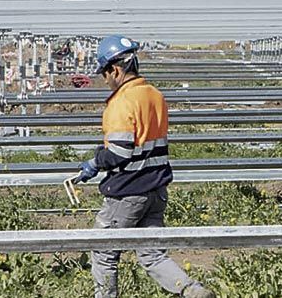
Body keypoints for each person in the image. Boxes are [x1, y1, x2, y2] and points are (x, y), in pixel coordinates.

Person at [76, 36, 214, 298]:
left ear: (115, 69)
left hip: (128, 191)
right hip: (156, 190)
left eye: (105, 74)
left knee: (103, 251)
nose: (105, 80)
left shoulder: (121, 102)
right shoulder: (155, 95)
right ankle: (192, 290)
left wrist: (95, 162)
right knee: (151, 253)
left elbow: (118, 152)